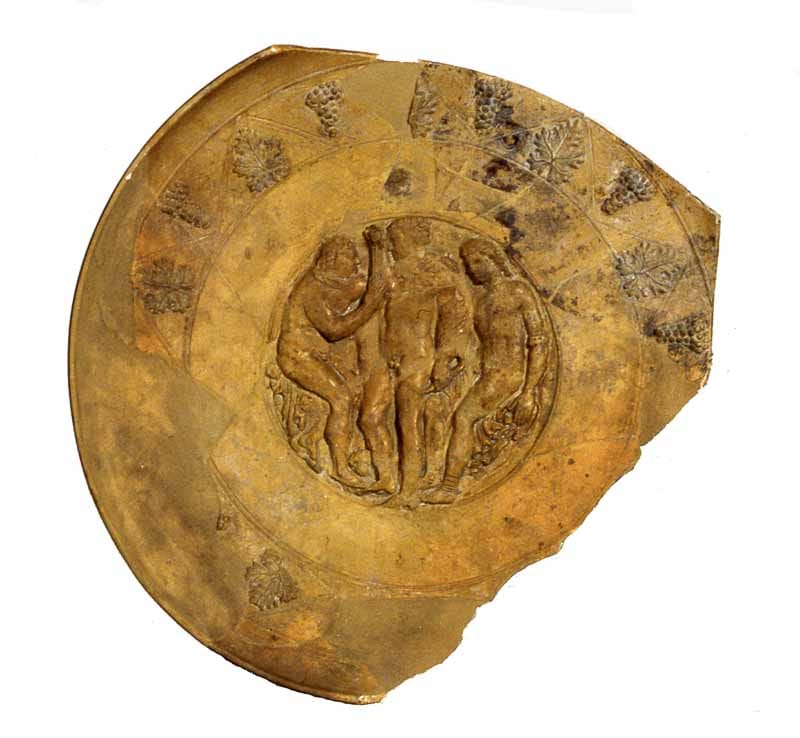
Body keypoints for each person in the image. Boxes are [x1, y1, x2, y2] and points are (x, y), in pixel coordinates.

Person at [426, 238, 549, 503]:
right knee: (440, 409)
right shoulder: (480, 301)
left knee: (463, 418)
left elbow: (538, 341)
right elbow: (475, 344)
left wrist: (528, 391)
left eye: (476, 261)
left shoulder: (517, 291)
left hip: (508, 375)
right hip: (485, 373)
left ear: (492, 258)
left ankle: (449, 487)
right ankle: (436, 476)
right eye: (468, 263)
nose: (471, 269)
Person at [277, 233, 388, 489]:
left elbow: (371, 289)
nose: (356, 263)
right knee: (341, 398)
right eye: (351, 257)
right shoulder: (311, 289)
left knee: (355, 392)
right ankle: (340, 468)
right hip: (299, 357)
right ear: (332, 259)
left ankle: (348, 452)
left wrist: (377, 253)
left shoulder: (329, 283)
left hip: (320, 354)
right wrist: (368, 306)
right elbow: (334, 330)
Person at [375, 217, 473, 501]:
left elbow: (456, 312)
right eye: (390, 241)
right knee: (381, 417)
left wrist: (445, 356)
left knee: (407, 423)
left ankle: (408, 490)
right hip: (390, 358)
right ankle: (391, 480)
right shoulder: (395, 270)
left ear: (410, 239)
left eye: (396, 239)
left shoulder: (434, 270)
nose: (392, 246)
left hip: (417, 357)